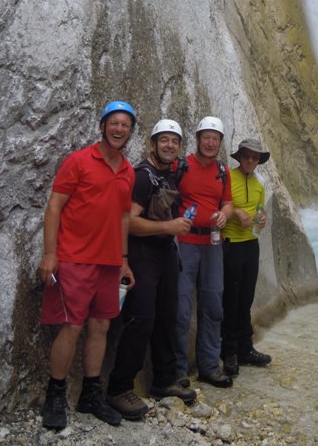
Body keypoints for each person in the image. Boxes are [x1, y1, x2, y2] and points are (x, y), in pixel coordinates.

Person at [38, 100, 137, 431]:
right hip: (75, 258)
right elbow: (54, 206)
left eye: (125, 125)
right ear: (103, 126)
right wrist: (50, 254)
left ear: (130, 131)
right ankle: (55, 395)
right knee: (71, 326)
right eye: (114, 123)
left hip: (109, 263)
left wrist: (123, 261)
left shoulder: (128, 171)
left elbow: (123, 217)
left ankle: (90, 395)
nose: (119, 129)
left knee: (101, 327)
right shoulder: (79, 161)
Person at [107, 119, 197, 419]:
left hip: (165, 254)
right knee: (141, 320)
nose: (169, 145)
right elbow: (129, 221)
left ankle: (164, 379)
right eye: (164, 140)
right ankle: (119, 388)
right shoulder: (143, 176)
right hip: (143, 254)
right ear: (152, 144)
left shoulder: (167, 176)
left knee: (166, 316)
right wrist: (169, 227)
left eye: (175, 141)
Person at [174, 116, 234, 388]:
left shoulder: (222, 170)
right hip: (184, 243)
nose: (210, 143)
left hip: (212, 244)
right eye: (206, 137)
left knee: (213, 305)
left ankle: (209, 366)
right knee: (180, 308)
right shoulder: (181, 166)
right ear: (198, 139)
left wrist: (224, 214)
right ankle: (178, 370)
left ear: (220, 143)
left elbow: (228, 203)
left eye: (215, 139)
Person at [221, 138, 272, 376]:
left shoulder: (259, 183)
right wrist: (235, 213)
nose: (250, 160)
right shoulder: (228, 178)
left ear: (258, 160)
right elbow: (220, 206)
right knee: (231, 299)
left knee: (246, 298)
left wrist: (262, 220)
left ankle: (245, 347)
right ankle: (229, 351)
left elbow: (260, 212)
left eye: (254, 157)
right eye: (246, 156)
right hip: (231, 244)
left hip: (251, 244)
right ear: (239, 157)